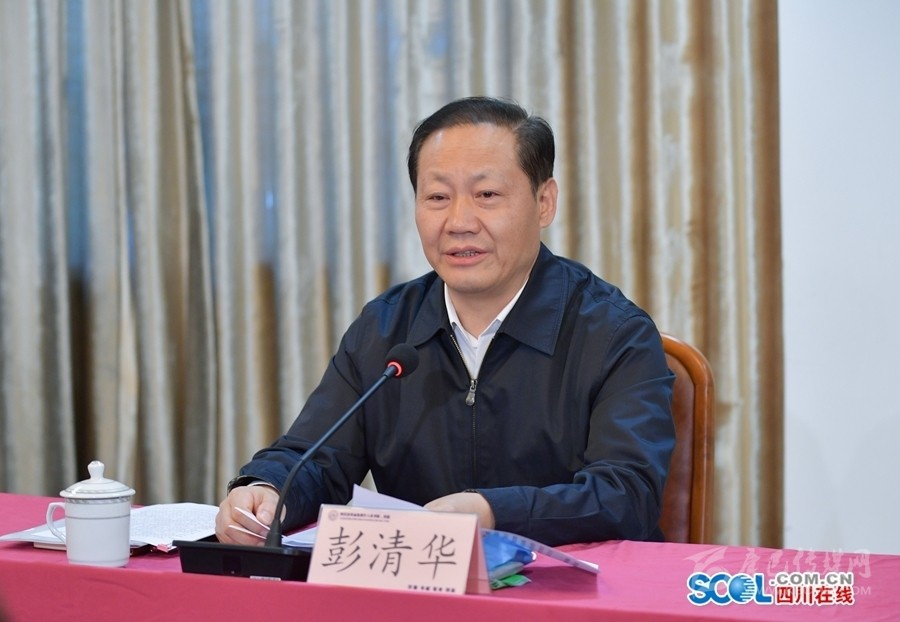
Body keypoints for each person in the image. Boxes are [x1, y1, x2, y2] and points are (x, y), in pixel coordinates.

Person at [215, 96, 675, 547]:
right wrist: (266, 489)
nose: (459, 222)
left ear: (544, 202)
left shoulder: (614, 334)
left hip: (572, 588)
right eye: (437, 197)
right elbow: (316, 458)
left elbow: (627, 494)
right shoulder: (386, 328)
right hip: (421, 584)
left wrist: (492, 512)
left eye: (486, 195)